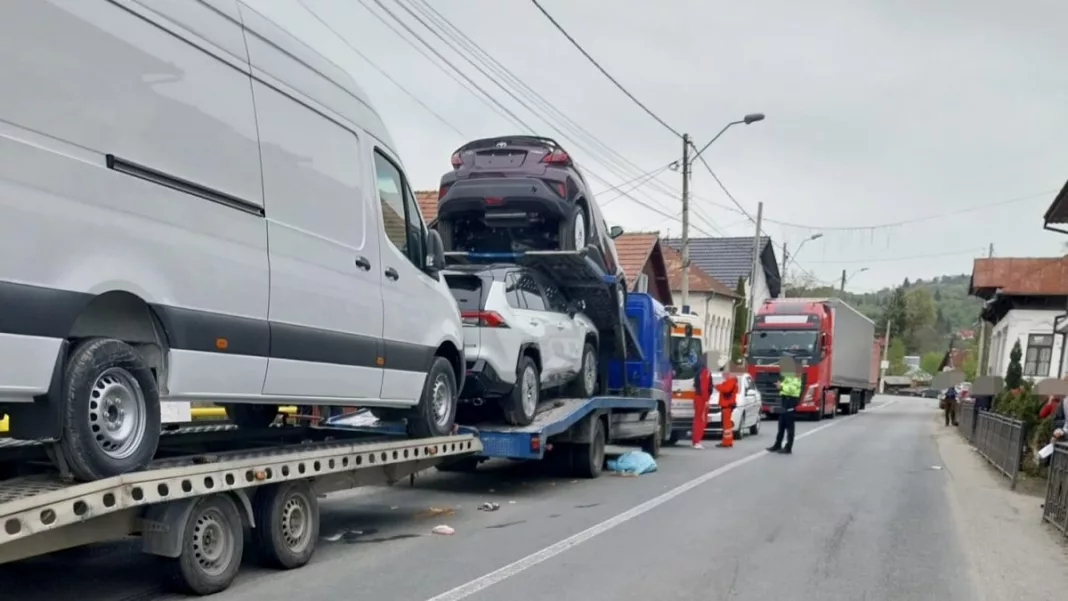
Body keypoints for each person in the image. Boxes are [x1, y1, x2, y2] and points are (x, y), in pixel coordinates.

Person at [768, 370, 801, 454]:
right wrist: (779, 385)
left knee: (789, 426)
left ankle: (788, 447)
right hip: (785, 400)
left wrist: (781, 386)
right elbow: (784, 387)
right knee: (781, 424)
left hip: (790, 401)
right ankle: (778, 444)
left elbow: (792, 389)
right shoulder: (787, 377)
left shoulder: (796, 377)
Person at [714, 363, 739, 448]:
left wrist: (717, 386)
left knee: (726, 425)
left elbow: (725, 389)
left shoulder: (730, 381)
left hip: (727, 406)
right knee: (726, 425)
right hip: (727, 406)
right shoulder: (731, 380)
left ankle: (726, 442)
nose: (722, 374)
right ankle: (728, 441)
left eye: (724, 372)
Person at [691, 353, 712, 449]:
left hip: (698, 397)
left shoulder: (699, 370)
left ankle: (695, 440)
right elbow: (704, 387)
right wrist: (706, 399)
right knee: (701, 420)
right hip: (702, 399)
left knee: (698, 419)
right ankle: (697, 441)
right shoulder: (705, 371)